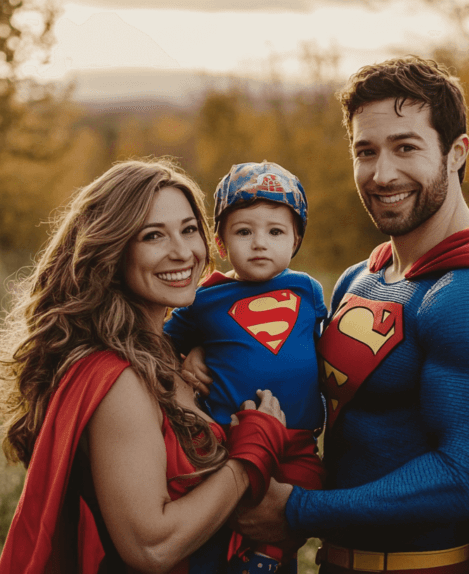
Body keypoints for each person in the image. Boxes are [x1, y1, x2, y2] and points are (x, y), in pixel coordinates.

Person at [236, 57, 469, 573]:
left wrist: (298, 510)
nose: (382, 174)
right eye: (366, 151)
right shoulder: (361, 278)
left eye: (406, 147)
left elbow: (466, 479)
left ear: (456, 153)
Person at [0, 159, 292, 574]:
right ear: (112, 251)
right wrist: (248, 459)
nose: (182, 252)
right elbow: (151, 547)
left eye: (188, 229)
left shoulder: (164, 353)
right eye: (152, 236)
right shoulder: (118, 379)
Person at [163, 162, 328, 574]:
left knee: (297, 500)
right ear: (219, 242)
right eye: (243, 232)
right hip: (229, 439)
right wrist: (190, 353)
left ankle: (267, 560)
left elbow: (328, 349)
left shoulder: (308, 290)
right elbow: (160, 342)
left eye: (275, 232)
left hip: (298, 438)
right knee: (226, 514)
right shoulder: (205, 299)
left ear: (296, 240)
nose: (259, 244)